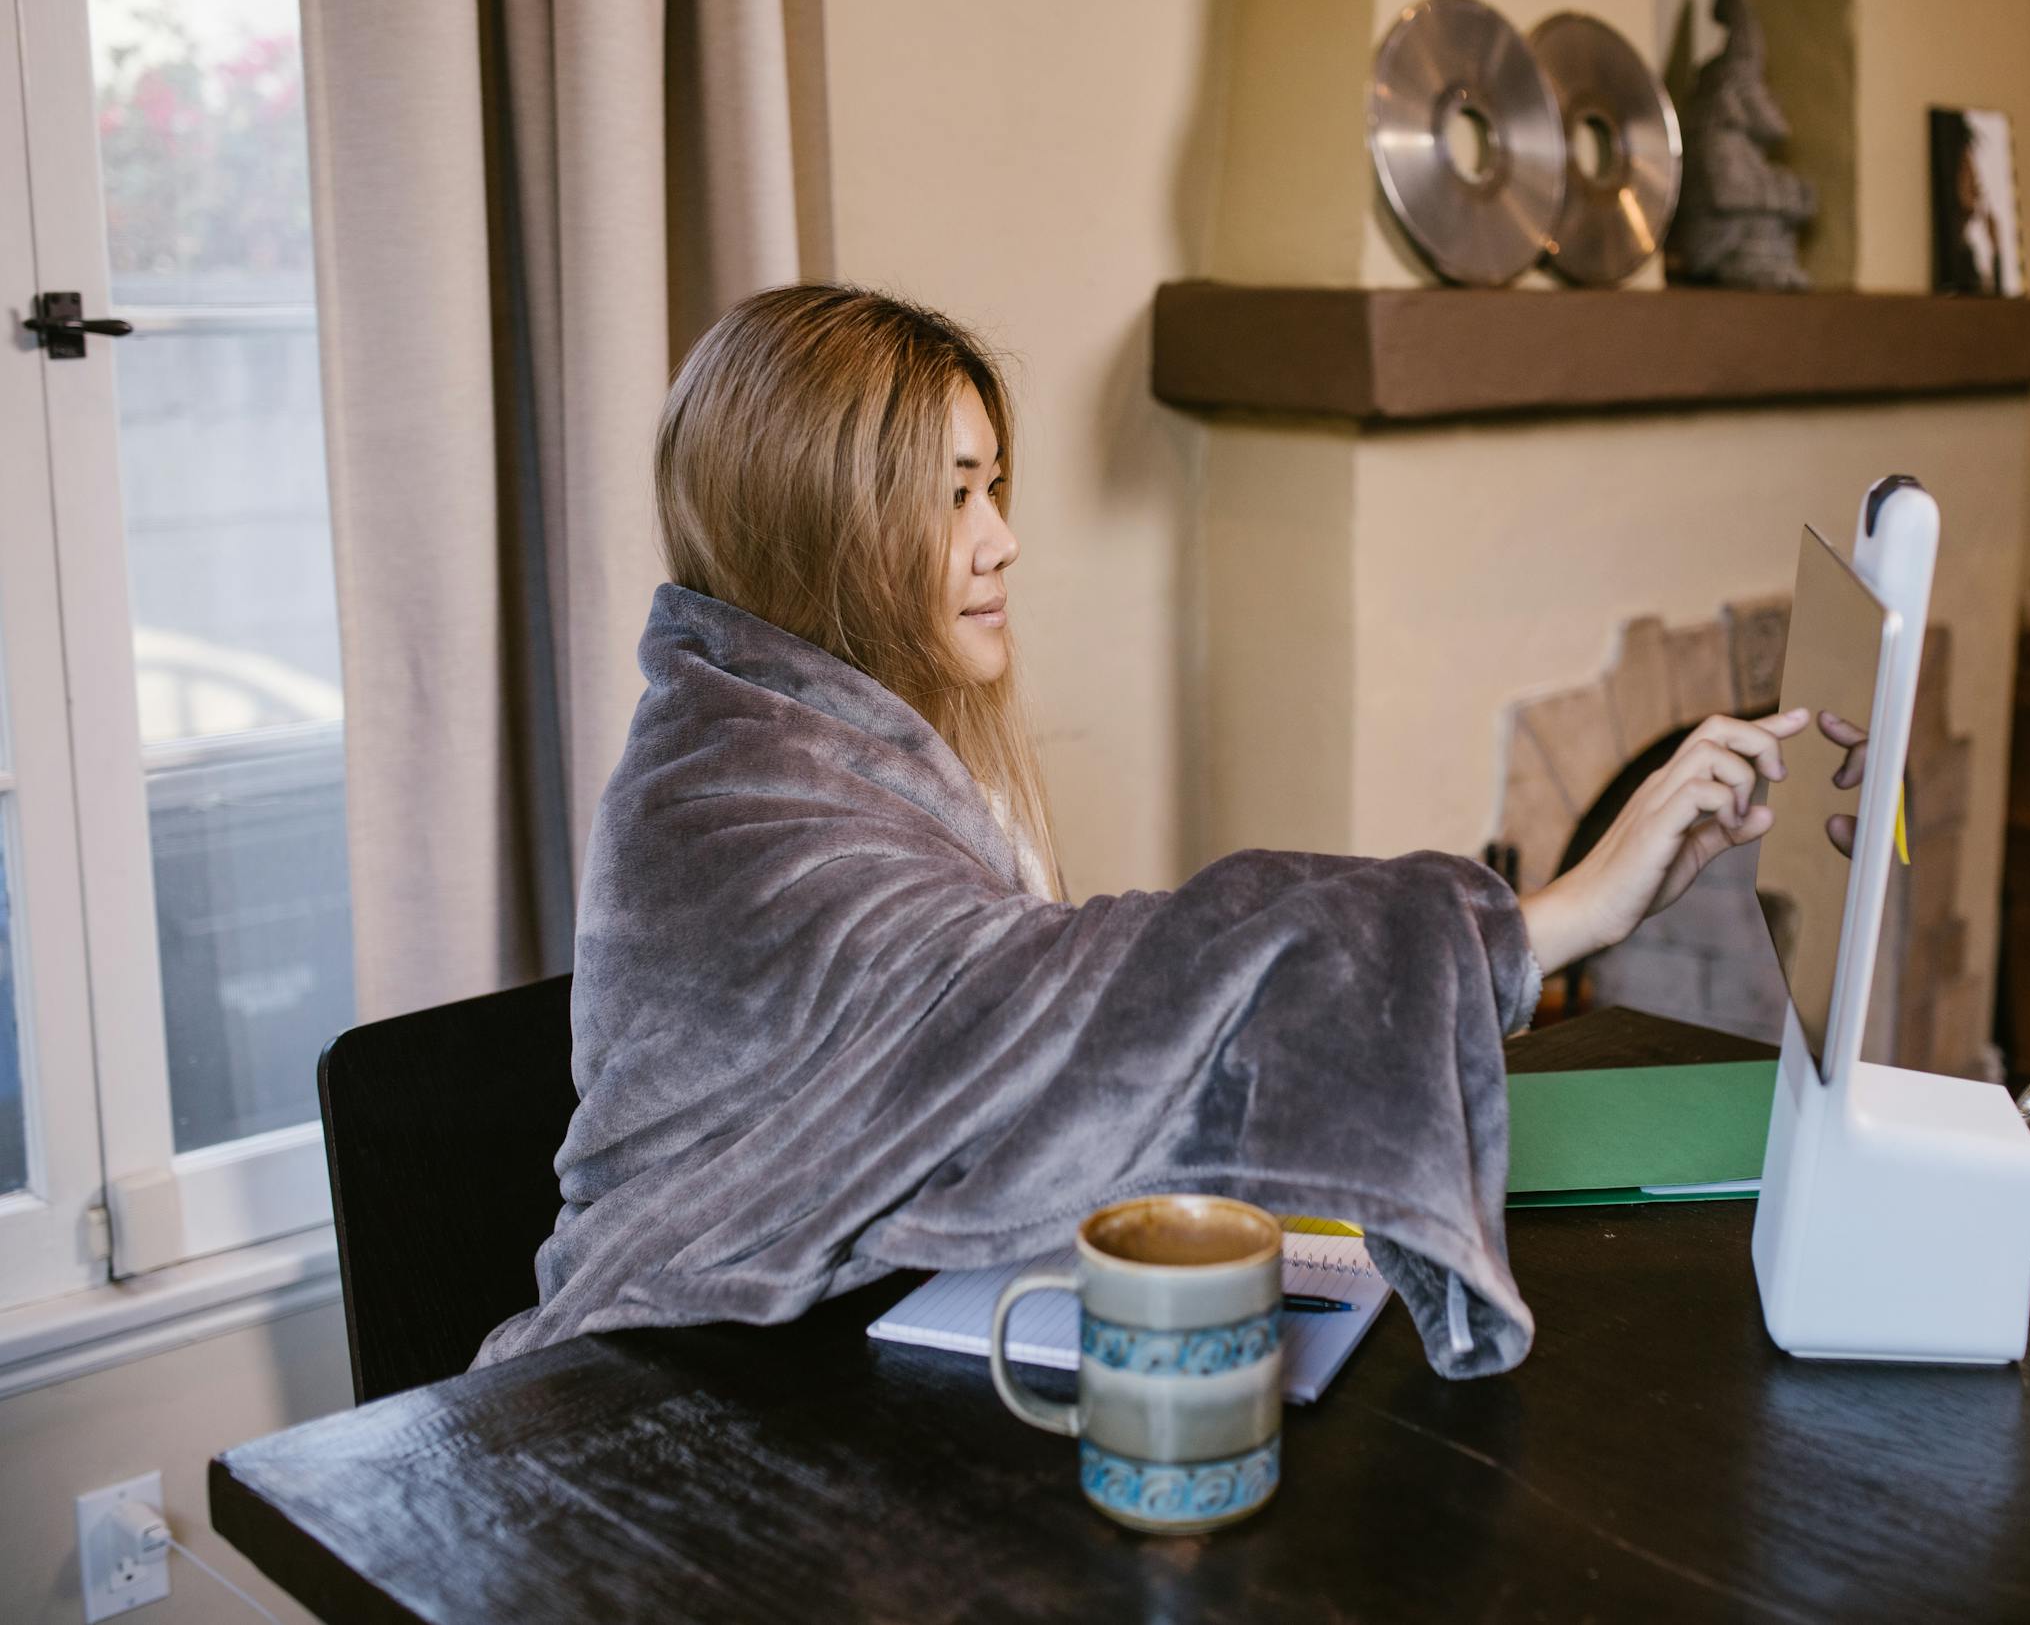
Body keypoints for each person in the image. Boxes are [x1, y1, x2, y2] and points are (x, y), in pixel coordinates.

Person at [473, 284, 1815, 1377]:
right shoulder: (730, 806)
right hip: (645, 1404)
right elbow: (1052, 992)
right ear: (816, 526)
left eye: (995, 487)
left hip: (805, 1357)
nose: (1002, 540)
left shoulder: (804, 739)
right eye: (951, 497)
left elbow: (1019, 1036)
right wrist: (1558, 914)